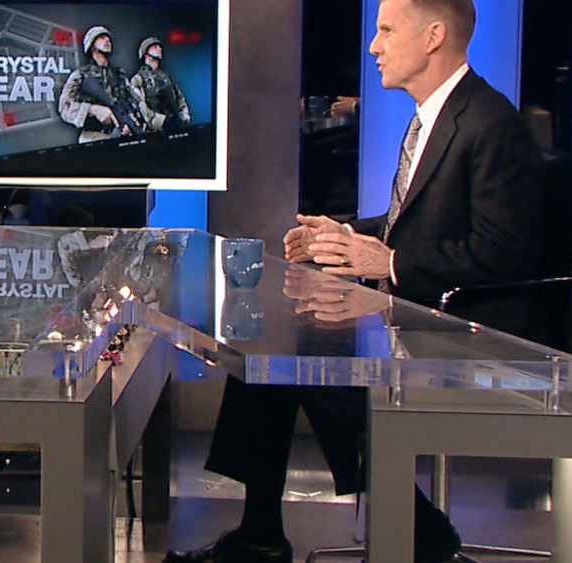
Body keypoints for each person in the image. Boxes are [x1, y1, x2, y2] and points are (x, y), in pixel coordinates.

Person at [166, 1, 546, 562]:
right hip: (423, 307)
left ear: (434, 36)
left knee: (306, 362)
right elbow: (414, 221)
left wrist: (387, 262)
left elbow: (504, 257)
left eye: (387, 30)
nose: (374, 46)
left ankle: (404, 526)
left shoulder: (490, 124)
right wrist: (342, 236)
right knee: (268, 346)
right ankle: (262, 533)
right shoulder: (436, 115)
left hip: (472, 329)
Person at [58, 25, 152, 143]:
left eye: (108, 38)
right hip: (92, 137)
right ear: (91, 45)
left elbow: (136, 102)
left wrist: (131, 122)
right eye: (101, 38)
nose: (107, 40)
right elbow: (64, 108)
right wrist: (92, 109)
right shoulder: (81, 75)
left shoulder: (119, 75)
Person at [130, 37, 190, 132]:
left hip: (175, 129)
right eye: (154, 46)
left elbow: (180, 99)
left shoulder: (166, 77)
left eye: (159, 46)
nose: (159, 48)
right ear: (145, 53)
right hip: (153, 131)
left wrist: (183, 118)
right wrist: (163, 122)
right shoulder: (138, 79)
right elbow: (140, 107)